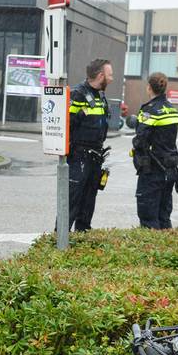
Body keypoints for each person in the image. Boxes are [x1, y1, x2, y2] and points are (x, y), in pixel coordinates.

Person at [65, 58, 113, 232]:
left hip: (95, 158)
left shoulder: (100, 95)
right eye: (110, 75)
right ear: (101, 75)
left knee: (87, 206)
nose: (112, 78)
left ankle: (82, 241)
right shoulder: (78, 94)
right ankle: (60, 240)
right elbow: (67, 124)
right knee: (71, 203)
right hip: (80, 157)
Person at [132, 72, 178, 229]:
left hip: (152, 170)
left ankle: (151, 251)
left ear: (149, 88)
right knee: (164, 216)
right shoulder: (172, 110)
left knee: (148, 217)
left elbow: (140, 140)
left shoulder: (149, 111)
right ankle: (166, 251)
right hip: (169, 170)